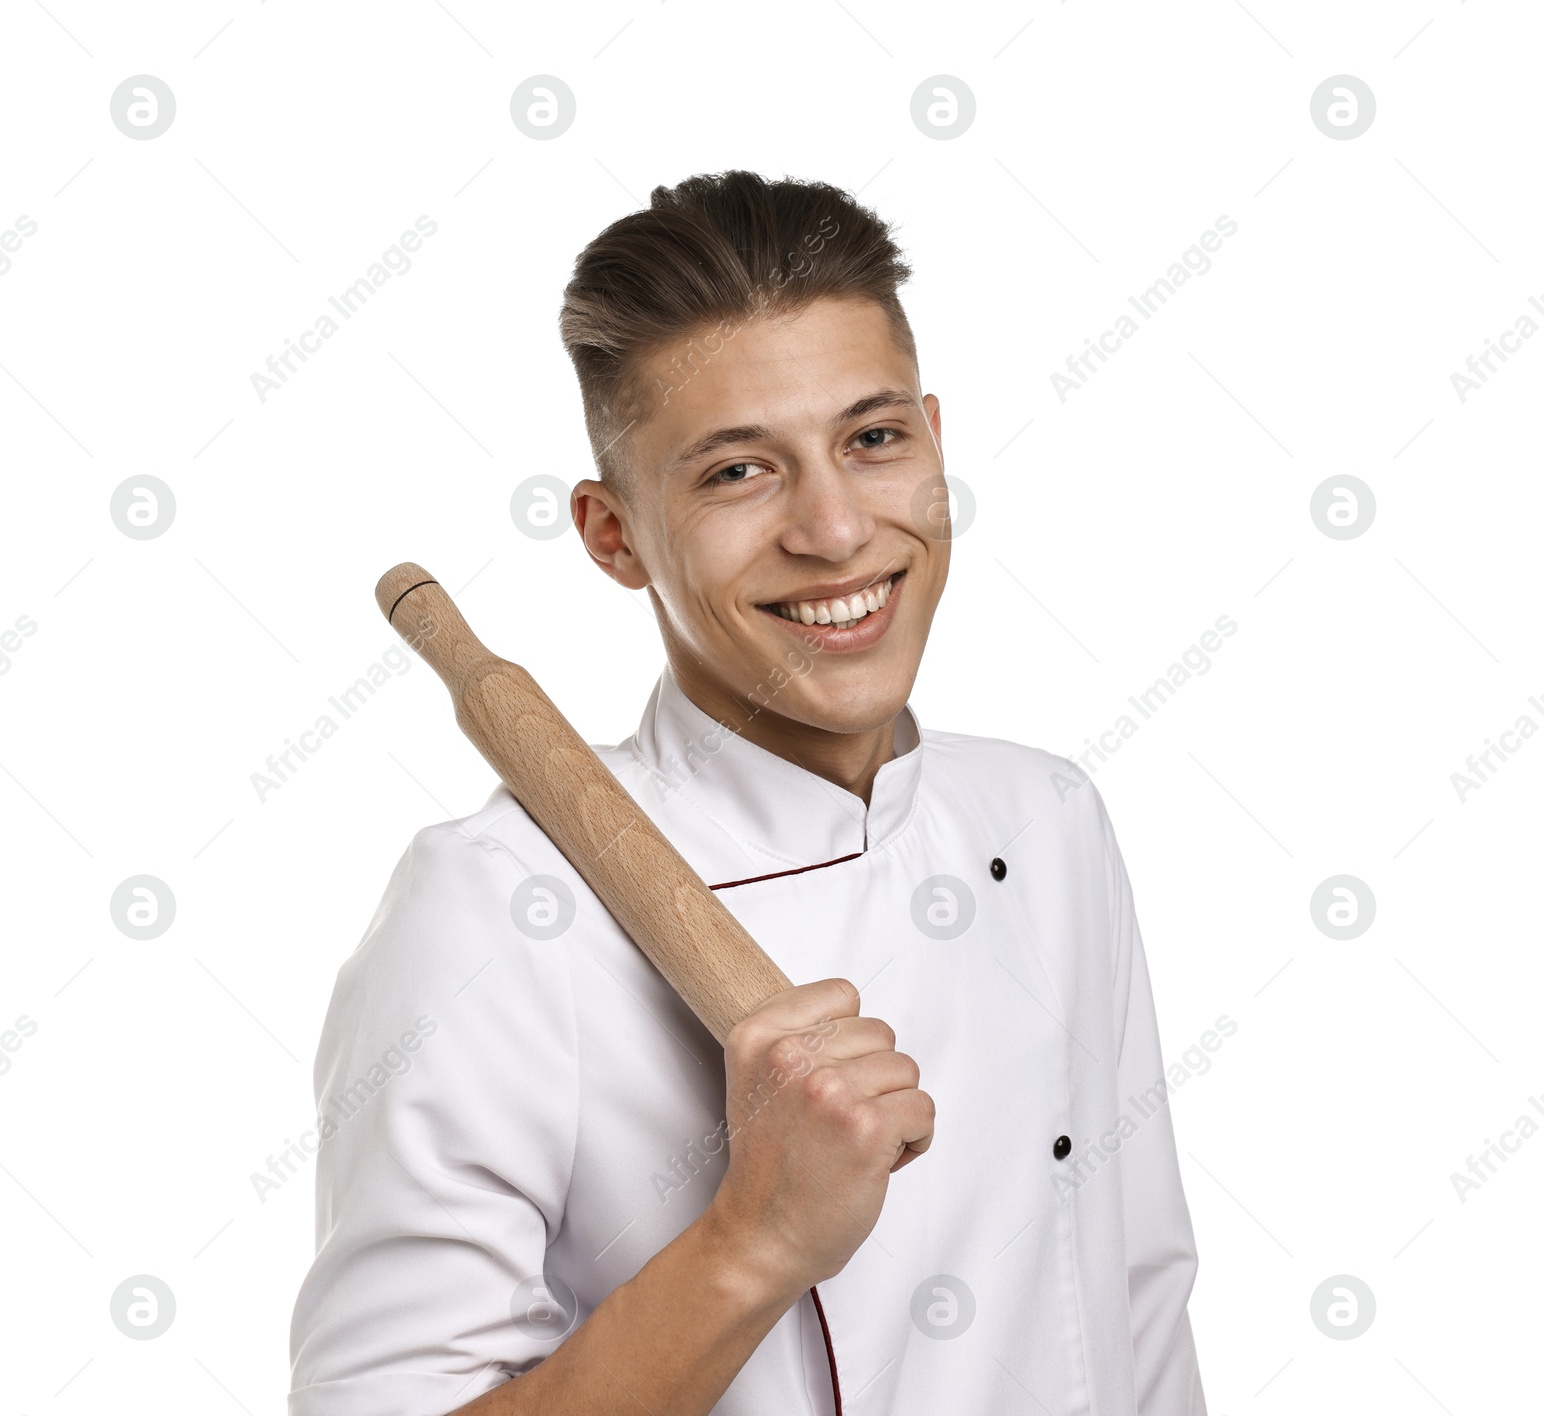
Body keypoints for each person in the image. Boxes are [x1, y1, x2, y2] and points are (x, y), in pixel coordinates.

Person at [288, 169, 1208, 1415]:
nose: (834, 532)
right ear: (614, 537)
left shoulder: (1046, 822)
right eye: (735, 473)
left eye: (872, 439)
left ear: (934, 440)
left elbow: (1139, 1309)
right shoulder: (496, 911)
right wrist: (755, 1242)